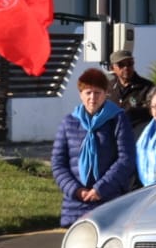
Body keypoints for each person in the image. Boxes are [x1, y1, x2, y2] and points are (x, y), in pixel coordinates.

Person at [52, 67, 137, 227]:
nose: (92, 98)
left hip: (109, 201)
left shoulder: (117, 119)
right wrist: (76, 190)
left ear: (106, 94)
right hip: (76, 204)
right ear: (80, 95)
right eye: (88, 93)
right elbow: (58, 163)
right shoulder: (69, 122)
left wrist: (100, 189)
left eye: (97, 93)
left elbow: (126, 159)